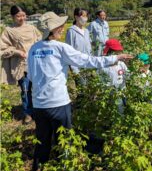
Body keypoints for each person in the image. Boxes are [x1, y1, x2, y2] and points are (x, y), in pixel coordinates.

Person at [27, 12, 133, 170]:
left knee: (42, 141)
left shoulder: (33, 49)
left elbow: (30, 77)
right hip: (58, 103)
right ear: (52, 29)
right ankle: (65, 166)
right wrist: (115, 58)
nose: (62, 28)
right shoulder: (60, 47)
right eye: (59, 26)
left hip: (39, 104)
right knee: (64, 140)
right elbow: (87, 60)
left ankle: (40, 166)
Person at [0, 5, 41, 124]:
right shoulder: (9, 30)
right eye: (18, 16)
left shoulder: (32, 28)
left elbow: (40, 41)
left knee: (37, 87)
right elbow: (2, 49)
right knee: (25, 89)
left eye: (23, 15)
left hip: (35, 63)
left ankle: (38, 110)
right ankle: (28, 113)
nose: (22, 18)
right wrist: (17, 52)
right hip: (20, 65)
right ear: (13, 17)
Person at [99, 39, 129, 114]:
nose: (118, 56)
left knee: (126, 106)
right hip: (112, 94)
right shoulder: (103, 67)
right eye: (116, 54)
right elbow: (101, 82)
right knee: (119, 109)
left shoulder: (121, 64)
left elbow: (128, 75)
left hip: (123, 91)